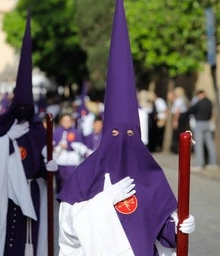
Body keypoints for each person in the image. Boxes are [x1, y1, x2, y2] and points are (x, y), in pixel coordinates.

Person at [58, 1, 195, 255]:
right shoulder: (86, 174)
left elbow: (163, 226)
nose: (123, 141)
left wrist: (180, 227)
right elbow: (67, 227)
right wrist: (103, 203)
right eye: (115, 134)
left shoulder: (149, 173)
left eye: (130, 134)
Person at [0, 12, 57, 256]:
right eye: (19, 107)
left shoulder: (37, 130)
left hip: (32, 191)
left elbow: (41, 164)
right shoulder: (0, 125)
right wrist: (6, 140)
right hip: (6, 193)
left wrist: (50, 168)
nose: (24, 112)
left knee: (28, 240)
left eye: (27, 109)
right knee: (10, 238)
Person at [53, 113, 90, 193]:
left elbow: (80, 145)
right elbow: (52, 145)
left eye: (68, 121)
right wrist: (58, 146)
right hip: (59, 161)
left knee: (70, 183)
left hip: (72, 162)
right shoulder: (56, 131)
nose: (66, 123)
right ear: (61, 122)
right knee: (59, 183)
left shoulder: (75, 132)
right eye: (64, 121)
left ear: (71, 122)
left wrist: (70, 145)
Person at [187, 89, 218, 171]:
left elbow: (190, 110)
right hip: (208, 123)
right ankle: (213, 163)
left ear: (200, 95)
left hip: (199, 124)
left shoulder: (199, 102)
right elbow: (211, 112)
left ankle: (199, 164)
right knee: (210, 143)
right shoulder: (209, 102)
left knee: (199, 144)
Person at [169, 86, 190, 153]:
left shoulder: (179, 100)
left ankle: (177, 149)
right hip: (184, 117)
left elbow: (177, 111)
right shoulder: (183, 99)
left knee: (178, 134)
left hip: (179, 117)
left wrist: (175, 121)